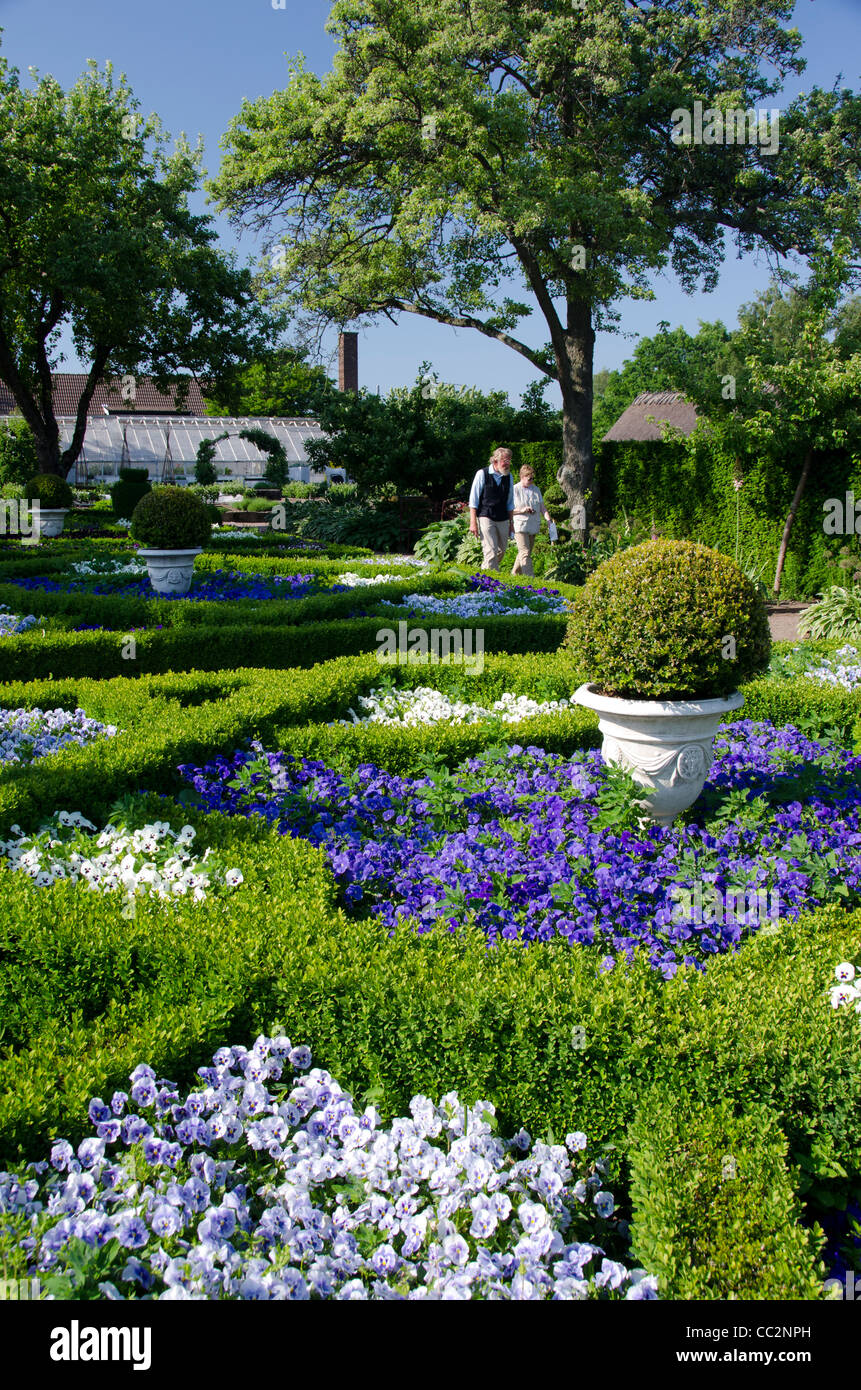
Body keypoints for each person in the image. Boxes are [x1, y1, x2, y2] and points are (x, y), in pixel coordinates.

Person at [469, 447, 514, 570]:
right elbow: (473, 501)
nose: (508, 464)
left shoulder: (509, 477)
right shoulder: (482, 474)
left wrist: (512, 523)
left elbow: (510, 503)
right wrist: (473, 523)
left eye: (509, 461)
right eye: (505, 461)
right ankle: (491, 584)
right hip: (486, 515)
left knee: (501, 551)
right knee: (490, 551)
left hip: (503, 517)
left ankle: (482, 573)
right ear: (495, 461)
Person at [511, 465, 552, 576]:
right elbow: (509, 510)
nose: (532, 481)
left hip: (533, 526)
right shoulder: (514, 489)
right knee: (525, 552)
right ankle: (530, 579)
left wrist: (548, 520)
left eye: (533, 478)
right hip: (520, 525)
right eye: (529, 479)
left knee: (525, 552)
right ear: (522, 477)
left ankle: (514, 574)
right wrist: (522, 510)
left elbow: (542, 507)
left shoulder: (536, 489)